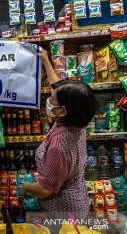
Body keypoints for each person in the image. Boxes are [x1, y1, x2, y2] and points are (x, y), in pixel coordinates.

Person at [21, 49, 97, 222]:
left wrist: (26, 187)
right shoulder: (77, 123)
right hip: (78, 201)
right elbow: (58, 88)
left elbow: (45, 189)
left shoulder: (58, 145)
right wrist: (46, 61)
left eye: (52, 100)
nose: (49, 100)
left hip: (63, 212)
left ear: (62, 111)